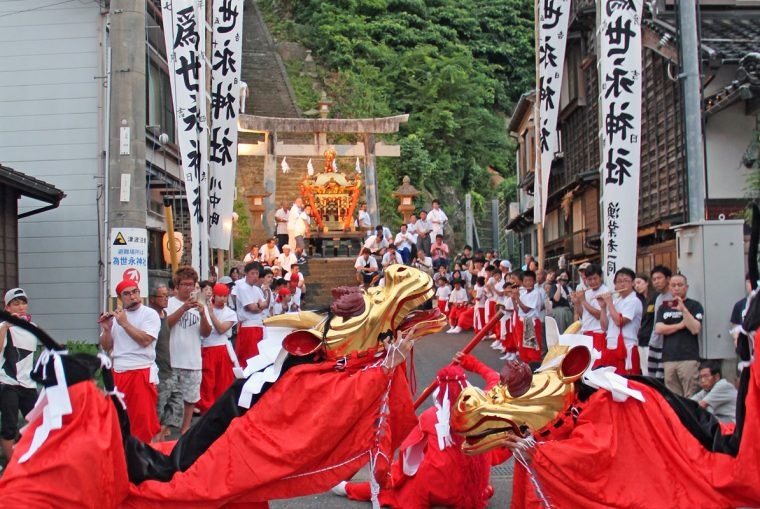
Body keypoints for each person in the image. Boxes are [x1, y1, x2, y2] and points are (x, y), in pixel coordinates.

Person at [333, 354, 502, 509]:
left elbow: (409, 454)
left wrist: (395, 475)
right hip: (474, 486)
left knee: (395, 487)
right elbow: (495, 379)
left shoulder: (430, 417)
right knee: (484, 486)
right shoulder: (483, 405)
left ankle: (349, 489)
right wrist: (471, 363)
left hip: (437, 488)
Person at [99, 279, 161, 443]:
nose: (132, 296)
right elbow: (106, 346)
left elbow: (146, 340)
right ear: (120, 297)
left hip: (141, 371)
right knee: (118, 419)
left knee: (143, 422)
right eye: (127, 294)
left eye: (135, 292)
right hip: (118, 372)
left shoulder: (149, 314)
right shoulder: (118, 317)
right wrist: (106, 329)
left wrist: (124, 324)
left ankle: (146, 458)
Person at [166, 266, 212, 434]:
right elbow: (166, 325)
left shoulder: (201, 305)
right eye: (184, 284)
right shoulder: (169, 303)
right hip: (171, 359)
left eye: (191, 284)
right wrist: (184, 308)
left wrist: (202, 314)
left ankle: (185, 429)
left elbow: (206, 333)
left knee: (190, 397)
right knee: (169, 396)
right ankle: (167, 428)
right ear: (177, 286)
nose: (188, 288)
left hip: (192, 359)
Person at [0, 289, 38, 461]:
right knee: (9, 426)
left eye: (23, 303)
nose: (21, 307)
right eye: (16, 304)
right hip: (7, 382)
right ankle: (11, 468)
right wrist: (5, 326)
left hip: (29, 384)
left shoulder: (33, 327)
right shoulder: (3, 325)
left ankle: (29, 459)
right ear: (7, 307)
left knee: (37, 423)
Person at [654, 274, 704, 397]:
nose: (676, 288)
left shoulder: (694, 305)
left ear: (686, 287)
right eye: (673, 285)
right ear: (670, 288)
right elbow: (659, 328)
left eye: (680, 285)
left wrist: (684, 310)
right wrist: (680, 325)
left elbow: (695, 328)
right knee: (673, 398)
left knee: (690, 396)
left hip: (688, 358)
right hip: (669, 358)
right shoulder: (664, 307)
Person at [197, 283, 239, 414]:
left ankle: (222, 410)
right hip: (207, 348)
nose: (222, 299)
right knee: (207, 382)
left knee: (224, 381)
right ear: (214, 295)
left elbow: (221, 329)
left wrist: (211, 314)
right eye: (220, 296)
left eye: (225, 296)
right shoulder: (203, 307)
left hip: (222, 350)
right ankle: (206, 410)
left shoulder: (230, 313)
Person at [149, 283, 183, 440]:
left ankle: (160, 436)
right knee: (158, 410)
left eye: (167, 296)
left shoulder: (164, 315)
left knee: (176, 404)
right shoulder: (150, 317)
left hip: (168, 368)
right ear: (152, 299)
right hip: (157, 371)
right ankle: (155, 441)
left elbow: (170, 321)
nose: (165, 299)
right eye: (162, 296)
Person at [598, 268, 643, 375]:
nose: (622, 284)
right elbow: (604, 327)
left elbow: (619, 322)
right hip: (611, 346)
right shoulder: (616, 301)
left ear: (632, 283)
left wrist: (609, 303)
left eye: (626, 281)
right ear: (615, 285)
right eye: (619, 281)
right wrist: (603, 308)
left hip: (626, 348)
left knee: (626, 383)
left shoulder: (634, 301)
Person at [571, 263, 608, 366]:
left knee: (597, 365)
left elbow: (599, 315)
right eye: (589, 279)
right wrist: (577, 302)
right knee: (586, 365)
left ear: (600, 277)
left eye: (595, 278)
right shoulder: (587, 292)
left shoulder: (604, 291)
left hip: (598, 333)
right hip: (586, 331)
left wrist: (583, 301)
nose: (592, 282)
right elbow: (583, 314)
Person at [235, 262, 269, 366]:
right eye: (252, 273)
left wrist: (260, 305)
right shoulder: (242, 288)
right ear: (246, 274)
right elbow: (251, 308)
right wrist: (259, 306)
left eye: (257, 274)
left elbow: (265, 304)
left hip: (258, 325)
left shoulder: (257, 289)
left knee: (258, 356)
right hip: (248, 326)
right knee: (248, 357)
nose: (255, 276)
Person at [647, 265, 673, 379]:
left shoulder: (673, 297)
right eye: (654, 279)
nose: (656, 282)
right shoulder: (658, 298)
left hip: (666, 344)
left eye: (659, 278)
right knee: (652, 377)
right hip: (654, 342)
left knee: (661, 378)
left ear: (668, 279)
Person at [511, 270, 543, 363]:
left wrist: (516, 297)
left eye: (530, 280)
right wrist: (513, 299)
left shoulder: (535, 293)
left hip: (530, 322)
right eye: (526, 281)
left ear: (534, 281)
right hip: (522, 321)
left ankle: (534, 369)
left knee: (531, 350)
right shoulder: (524, 293)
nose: (528, 283)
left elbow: (526, 309)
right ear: (522, 282)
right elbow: (517, 310)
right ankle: (526, 368)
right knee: (522, 348)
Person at [634, 272, 655, 375]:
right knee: (644, 369)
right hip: (640, 338)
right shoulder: (638, 300)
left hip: (650, 338)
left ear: (647, 282)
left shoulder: (655, 298)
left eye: (639, 282)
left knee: (650, 368)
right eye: (635, 284)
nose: (637, 286)